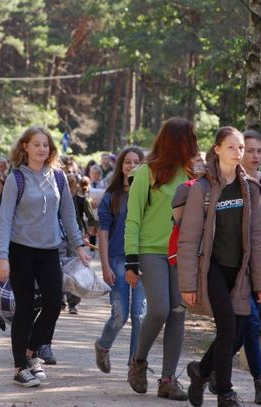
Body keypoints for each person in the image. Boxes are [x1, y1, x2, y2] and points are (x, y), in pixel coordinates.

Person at [177, 126, 261, 407]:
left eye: (241, 147)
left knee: (240, 329)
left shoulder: (251, 188)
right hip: (212, 269)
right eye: (231, 147)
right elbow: (189, 239)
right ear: (217, 149)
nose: (238, 152)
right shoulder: (202, 189)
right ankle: (225, 393)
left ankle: (201, 371)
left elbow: (257, 237)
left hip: (239, 272)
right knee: (228, 326)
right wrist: (188, 284)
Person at [0, 126, 90, 388]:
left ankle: (31, 353)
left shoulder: (58, 177)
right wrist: (2, 257)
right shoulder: (17, 178)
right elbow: (4, 219)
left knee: (52, 304)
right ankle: (18, 368)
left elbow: (69, 216)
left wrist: (79, 246)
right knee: (25, 307)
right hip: (21, 250)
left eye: (45, 145)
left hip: (50, 251)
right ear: (25, 147)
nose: (41, 149)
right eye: (36, 144)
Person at [125, 117, 198, 401]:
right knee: (159, 309)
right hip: (151, 250)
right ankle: (138, 361)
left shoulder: (193, 174)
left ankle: (168, 380)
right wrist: (131, 260)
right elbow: (133, 219)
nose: (194, 144)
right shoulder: (147, 172)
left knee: (178, 312)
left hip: (183, 253)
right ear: (176, 141)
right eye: (189, 138)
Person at [219, 129, 261, 405]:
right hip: (228, 267)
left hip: (257, 267)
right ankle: (259, 381)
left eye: (260, 151)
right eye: (250, 150)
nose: (254, 156)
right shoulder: (223, 183)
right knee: (247, 323)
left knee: (246, 324)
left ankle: (208, 369)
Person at [94, 147, 146, 374]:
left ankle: (135, 365)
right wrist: (104, 265)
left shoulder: (149, 194)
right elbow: (103, 233)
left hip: (144, 260)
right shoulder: (111, 196)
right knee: (120, 315)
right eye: (127, 162)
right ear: (120, 166)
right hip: (117, 259)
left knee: (140, 315)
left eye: (136, 161)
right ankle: (103, 346)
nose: (132, 165)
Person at [65, 173, 98, 314]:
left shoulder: (80, 200)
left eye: (72, 183)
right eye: (68, 182)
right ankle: (59, 299)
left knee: (74, 269)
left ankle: (73, 302)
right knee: (59, 267)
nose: (71, 185)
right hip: (57, 237)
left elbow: (92, 219)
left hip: (75, 239)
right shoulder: (56, 198)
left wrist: (86, 234)